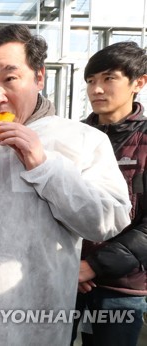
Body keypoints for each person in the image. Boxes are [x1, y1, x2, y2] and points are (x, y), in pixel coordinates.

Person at [0, 24, 131, 345]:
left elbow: (108, 220)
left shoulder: (80, 139)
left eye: (10, 79)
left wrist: (44, 165)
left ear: (39, 78)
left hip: (33, 319)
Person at [70, 41, 147, 346]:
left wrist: (93, 266)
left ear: (139, 82)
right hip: (67, 280)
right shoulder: (72, 138)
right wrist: (69, 265)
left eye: (108, 78)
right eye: (90, 81)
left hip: (120, 289)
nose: (96, 89)